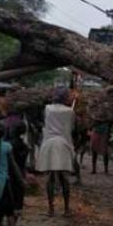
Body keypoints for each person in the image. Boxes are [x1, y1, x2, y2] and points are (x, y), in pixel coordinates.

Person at [36, 87, 76, 217]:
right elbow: (71, 128)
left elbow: (45, 123)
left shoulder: (47, 108)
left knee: (51, 178)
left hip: (49, 143)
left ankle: (51, 209)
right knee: (64, 177)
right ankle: (66, 209)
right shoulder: (70, 111)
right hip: (63, 144)